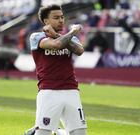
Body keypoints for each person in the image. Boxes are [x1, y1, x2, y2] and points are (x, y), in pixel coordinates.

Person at [25, 4, 87, 135]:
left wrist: (56, 34)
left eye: (62, 17)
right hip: (49, 92)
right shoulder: (36, 37)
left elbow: (79, 51)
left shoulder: (71, 39)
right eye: (56, 17)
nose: (61, 20)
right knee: (43, 133)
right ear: (46, 21)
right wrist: (73, 31)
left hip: (71, 91)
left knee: (80, 133)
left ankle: (59, 132)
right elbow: (57, 45)